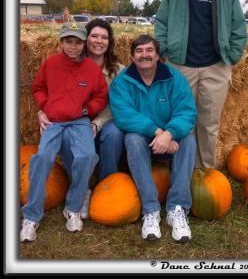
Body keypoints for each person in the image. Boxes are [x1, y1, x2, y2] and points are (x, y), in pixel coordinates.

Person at [155, 0, 247, 168]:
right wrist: (164, 49)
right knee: (182, 121)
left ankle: (205, 174)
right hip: (180, 65)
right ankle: (181, 173)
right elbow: (162, 20)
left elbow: (238, 25)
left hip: (215, 67)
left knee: (208, 124)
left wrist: (233, 56)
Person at [20, 22, 108, 242]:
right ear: (61, 42)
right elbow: (38, 88)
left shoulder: (91, 68)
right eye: (69, 41)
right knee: (42, 159)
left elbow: (100, 95)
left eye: (78, 42)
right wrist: (44, 108)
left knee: (87, 157)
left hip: (79, 122)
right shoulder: (51, 63)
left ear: (83, 44)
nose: (73, 47)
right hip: (55, 122)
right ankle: (31, 216)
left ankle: (73, 208)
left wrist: (87, 110)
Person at [109, 35, 197, 242]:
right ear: (132, 56)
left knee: (189, 140)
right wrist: (159, 133)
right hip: (144, 138)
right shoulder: (122, 81)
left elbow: (187, 112)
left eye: (149, 50)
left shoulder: (174, 78)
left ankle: (177, 209)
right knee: (132, 138)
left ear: (158, 55)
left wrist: (169, 133)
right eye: (139, 51)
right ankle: (150, 210)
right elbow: (124, 115)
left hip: (170, 137)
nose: (144, 55)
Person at [38, 18, 125, 219]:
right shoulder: (68, 64)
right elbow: (50, 91)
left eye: (104, 37)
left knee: (114, 133)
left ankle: (106, 186)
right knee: (67, 135)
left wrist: (97, 123)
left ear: (110, 42)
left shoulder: (119, 70)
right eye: (94, 36)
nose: (98, 41)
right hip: (73, 120)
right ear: (85, 39)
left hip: (104, 119)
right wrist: (42, 111)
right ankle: (82, 188)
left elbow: (116, 104)